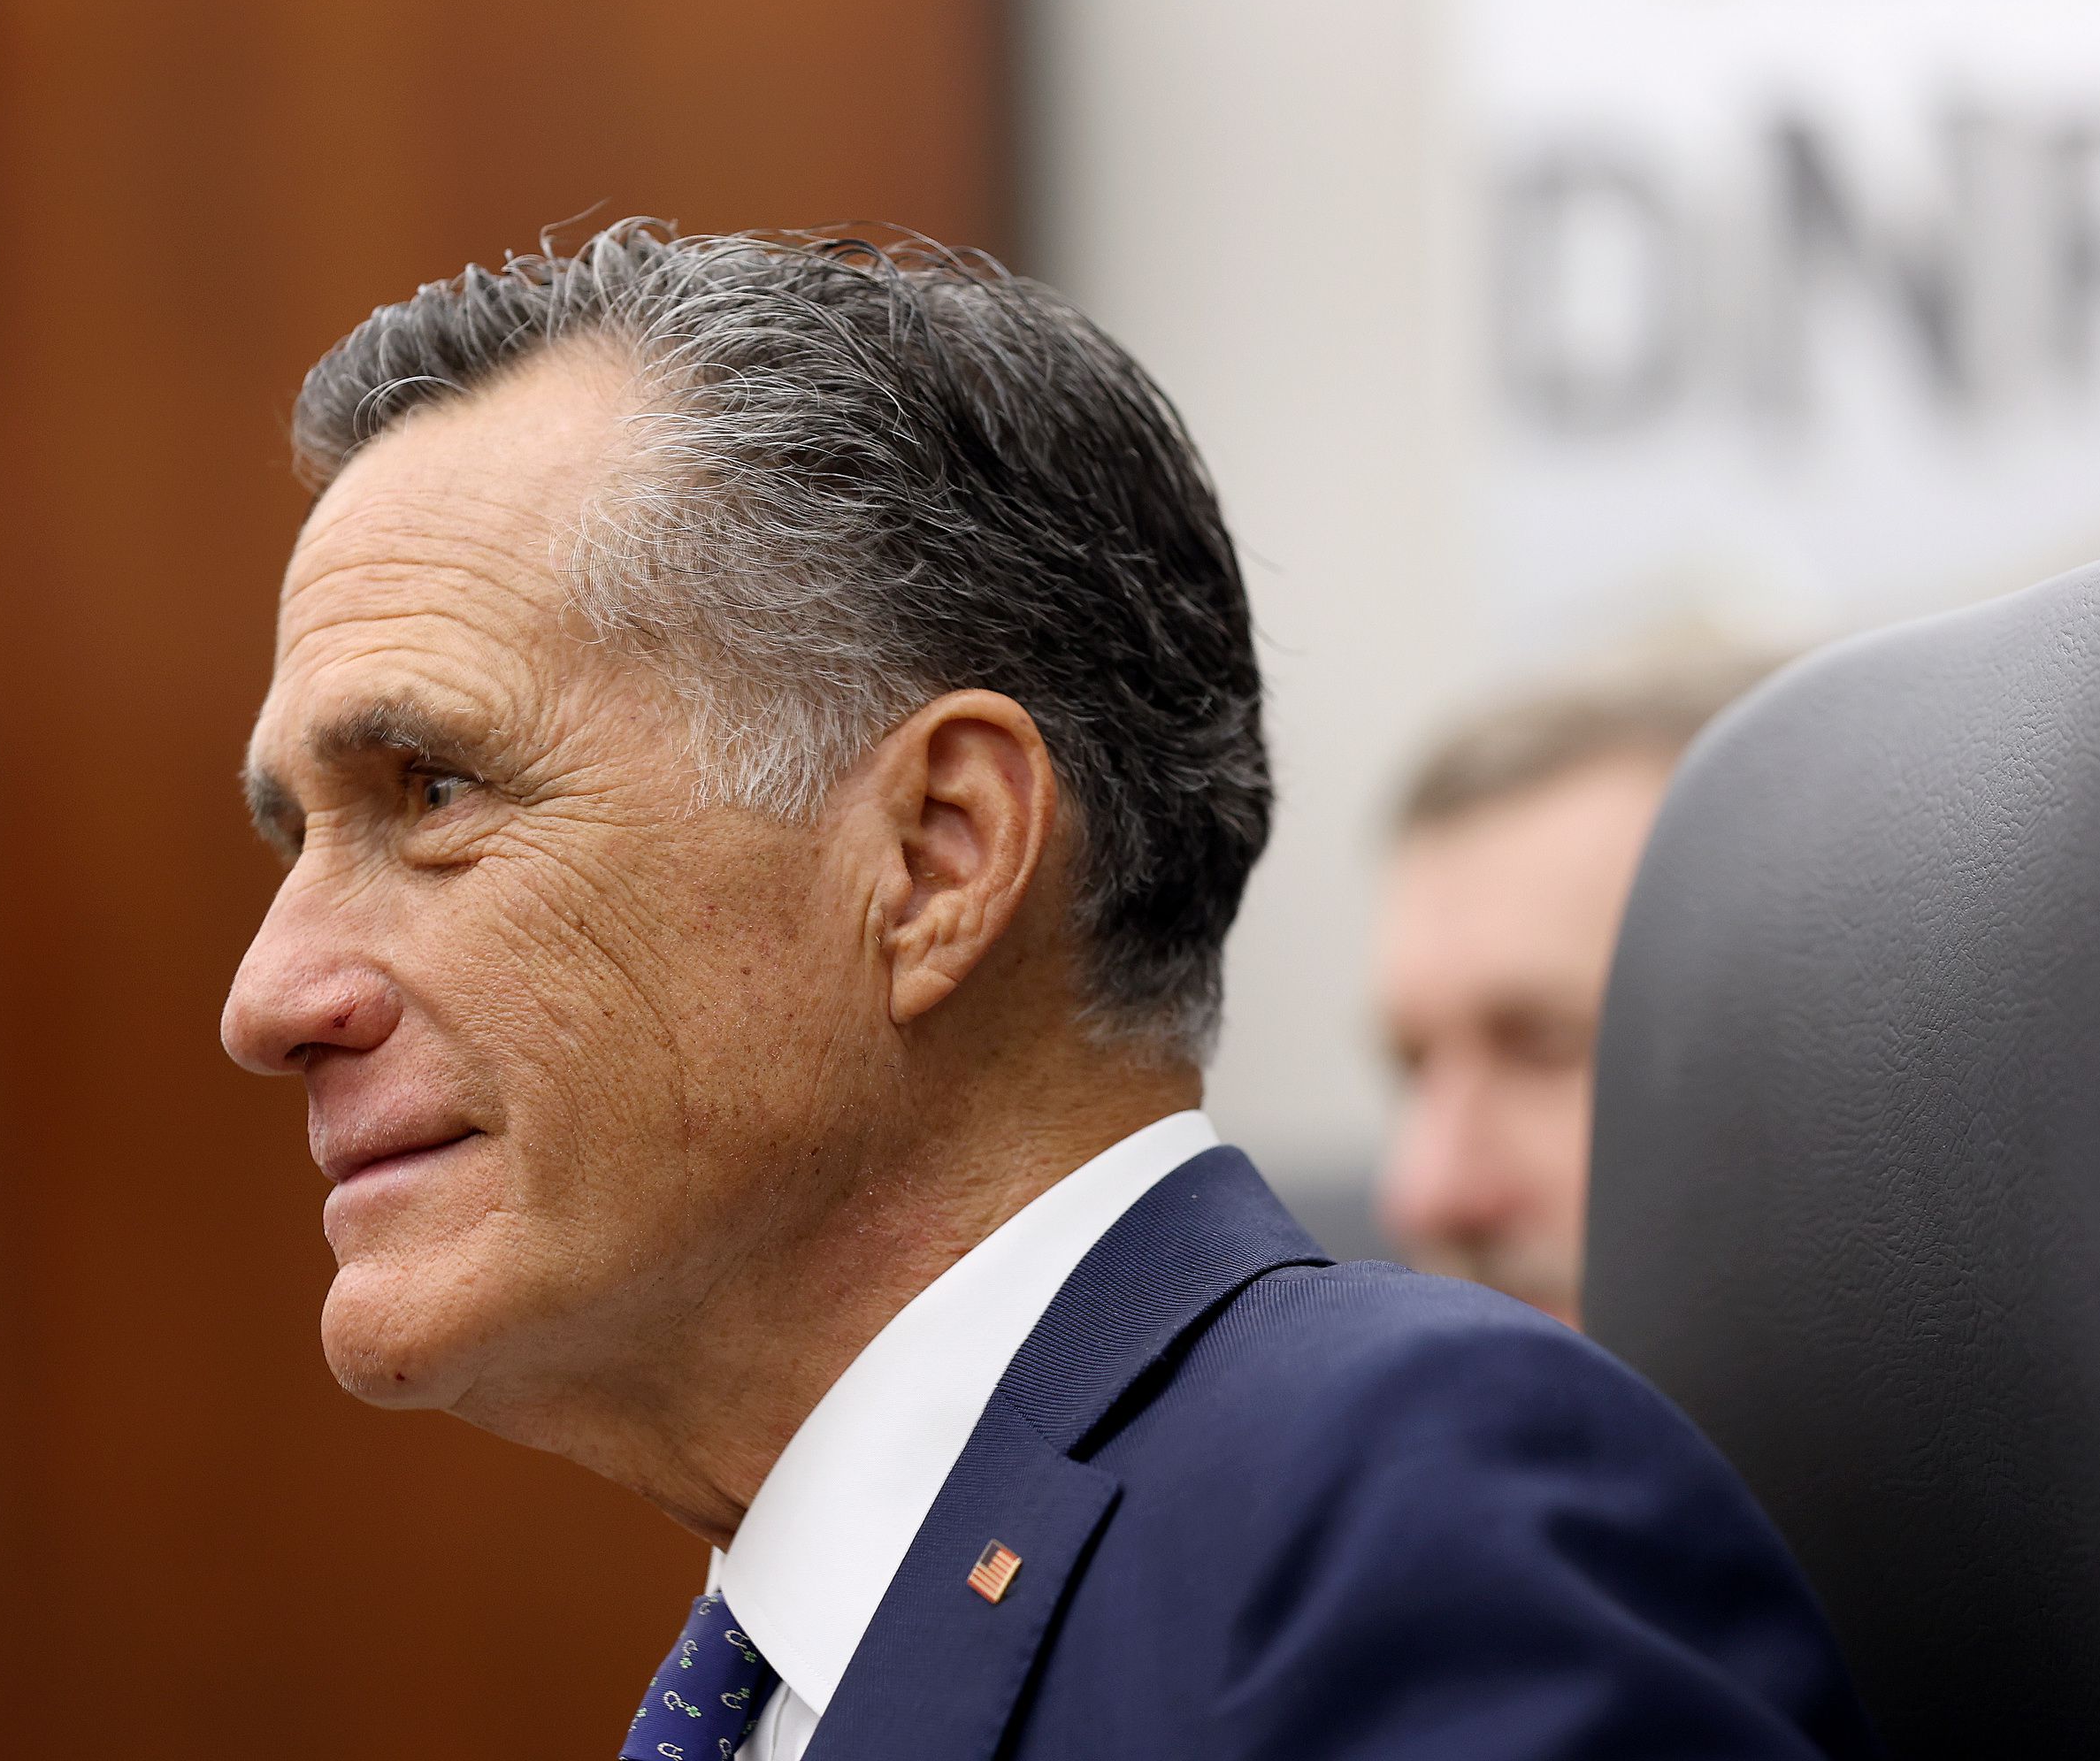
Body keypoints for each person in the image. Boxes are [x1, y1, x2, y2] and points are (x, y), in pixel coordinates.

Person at [219, 222, 1878, 1761]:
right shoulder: (801, 1657)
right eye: (296, 836)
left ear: (939, 859)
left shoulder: (1403, 1511)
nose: (269, 994)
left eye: (433, 791)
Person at [1374, 665, 2100, 1761]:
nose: (1427, 1188)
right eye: (1412, 1068)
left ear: (1868, 1062)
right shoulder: (1452, 1575)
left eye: (1545, 1048)